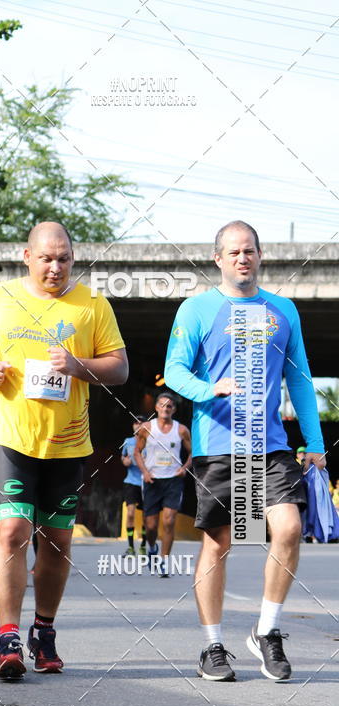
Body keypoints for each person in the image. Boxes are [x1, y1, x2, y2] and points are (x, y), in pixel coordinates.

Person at [0, 221, 128, 678]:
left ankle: (43, 630)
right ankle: (8, 637)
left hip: (68, 443)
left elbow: (120, 368)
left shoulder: (92, 305)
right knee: (12, 532)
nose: (55, 267)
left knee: (57, 540)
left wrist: (77, 365)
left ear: (73, 259)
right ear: (26, 256)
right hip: (12, 436)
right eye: (46, 258)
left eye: (64, 258)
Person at [164, 220, 325, 682]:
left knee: (288, 528)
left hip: (268, 447)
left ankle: (267, 632)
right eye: (233, 251)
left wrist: (313, 443)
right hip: (218, 446)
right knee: (220, 542)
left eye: (249, 250)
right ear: (218, 259)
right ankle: (213, 646)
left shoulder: (283, 310)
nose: (242, 258)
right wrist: (209, 388)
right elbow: (173, 372)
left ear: (260, 255)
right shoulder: (197, 309)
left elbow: (298, 378)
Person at [133, 393, 192, 574]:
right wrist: (145, 472)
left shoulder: (181, 430)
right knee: (150, 526)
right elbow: (136, 452)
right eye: (162, 405)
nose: (165, 409)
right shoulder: (146, 429)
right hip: (152, 480)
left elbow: (193, 453)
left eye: (169, 406)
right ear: (156, 408)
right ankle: (152, 548)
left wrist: (185, 468)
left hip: (173, 480)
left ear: (173, 409)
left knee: (169, 521)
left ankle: (164, 561)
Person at [121, 418, 147, 555]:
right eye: (136, 422)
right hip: (130, 482)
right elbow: (123, 456)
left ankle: (143, 545)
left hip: (145, 482)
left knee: (146, 516)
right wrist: (125, 460)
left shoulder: (150, 442)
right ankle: (131, 547)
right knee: (130, 513)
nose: (138, 425)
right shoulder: (128, 441)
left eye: (141, 422)